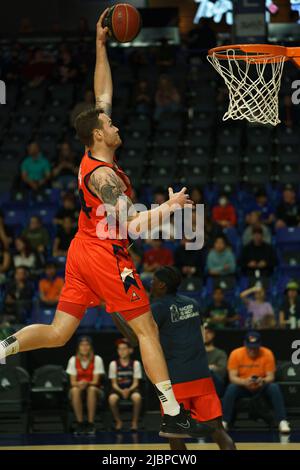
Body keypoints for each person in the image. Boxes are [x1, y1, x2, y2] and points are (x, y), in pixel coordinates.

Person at [0, 10, 209, 439]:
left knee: (59, 334)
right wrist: (171, 206)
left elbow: (102, 94)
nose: (114, 123)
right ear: (98, 135)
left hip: (82, 247)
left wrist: (100, 45)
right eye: (109, 124)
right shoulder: (103, 177)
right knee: (145, 327)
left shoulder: (97, 154)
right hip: (103, 253)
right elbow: (132, 225)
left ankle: (4, 347)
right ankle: (172, 412)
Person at [150, 266, 236, 450]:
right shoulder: (192, 303)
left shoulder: (157, 307)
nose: (151, 283)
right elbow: (201, 334)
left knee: (175, 436)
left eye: (154, 281)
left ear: (162, 285)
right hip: (202, 376)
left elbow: (139, 338)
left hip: (175, 381)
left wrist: (114, 309)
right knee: (218, 431)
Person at [222, 331, 290, 433]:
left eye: (255, 347)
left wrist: (262, 380)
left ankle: (282, 421)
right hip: (243, 386)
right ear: (245, 344)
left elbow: (271, 377)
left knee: (274, 387)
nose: (252, 350)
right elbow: (232, 377)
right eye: (250, 347)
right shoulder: (235, 354)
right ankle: (224, 422)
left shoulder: (267, 353)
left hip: (261, 386)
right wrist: (244, 382)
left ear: (260, 345)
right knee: (231, 387)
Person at [66, 336, 105, 435]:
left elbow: (96, 381)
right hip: (78, 388)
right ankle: (80, 423)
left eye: (87, 345)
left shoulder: (97, 359)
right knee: (75, 390)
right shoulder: (73, 360)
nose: (84, 347)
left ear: (90, 347)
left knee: (91, 389)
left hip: (95, 389)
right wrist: (80, 384)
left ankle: (90, 423)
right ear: (78, 347)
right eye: (82, 345)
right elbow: (72, 382)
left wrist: (86, 383)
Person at [108, 338, 142, 431]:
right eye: (119, 349)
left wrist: (129, 390)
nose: (121, 351)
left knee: (137, 398)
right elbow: (113, 383)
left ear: (130, 350)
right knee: (112, 399)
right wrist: (121, 391)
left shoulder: (135, 363)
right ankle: (118, 421)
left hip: (131, 388)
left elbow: (136, 383)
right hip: (118, 389)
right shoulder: (113, 364)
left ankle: (134, 422)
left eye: (124, 349)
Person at [204, 323, 228, 397]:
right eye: (203, 332)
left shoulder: (220, 353)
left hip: (215, 384)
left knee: (211, 373)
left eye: (208, 332)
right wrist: (212, 367)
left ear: (213, 334)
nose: (205, 335)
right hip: (199, 382)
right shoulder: (196, 353)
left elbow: (222, 372)